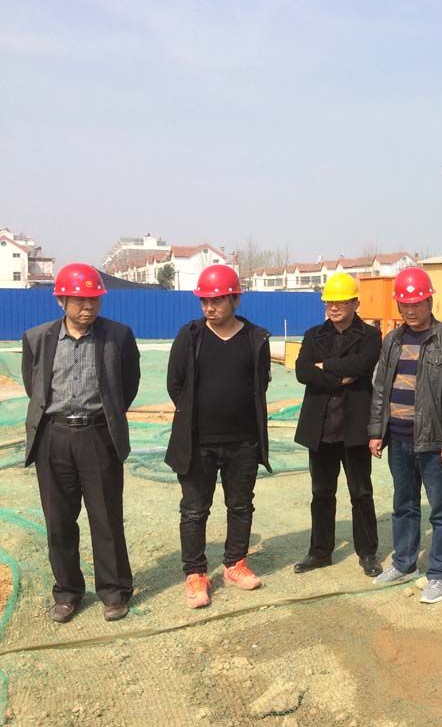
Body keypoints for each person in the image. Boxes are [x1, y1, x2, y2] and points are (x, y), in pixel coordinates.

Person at [22, 263, 140, 623]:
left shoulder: (117, 337)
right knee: (59, 521)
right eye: (79, 300)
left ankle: (114, 592)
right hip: (53, 438)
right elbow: (33, 385)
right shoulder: (37, 338)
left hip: (98, 436)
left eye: (94, 300)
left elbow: (128, 385)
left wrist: (104, 417)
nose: (88, 307)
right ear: (61, 300)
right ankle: (68, 592)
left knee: (106, 518)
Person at [165, 265, 272, 609]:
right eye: (204, 301)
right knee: (194, 510)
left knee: (240, 505)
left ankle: (234, 564)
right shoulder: (190, 336)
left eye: (217, 301)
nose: (209, 307)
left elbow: (260, 383)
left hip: (243, 442)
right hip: (198, 443)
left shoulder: (255, 338)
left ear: (235, 299)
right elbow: (175, 384)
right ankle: (195, 573)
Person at [368, 267, 442, 603]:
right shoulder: (392, 341)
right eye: (404, 305)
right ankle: (404, 563)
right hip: (397, 438)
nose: (410, 310)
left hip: (434, 442)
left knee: (441, 509)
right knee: (404, 504)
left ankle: (439, 574)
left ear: (429, 302)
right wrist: (376, 431)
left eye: (416, 304)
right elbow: (381, 389)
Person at [293, 272, 382, 578]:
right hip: (320, 427)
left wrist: (325, 366)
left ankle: (367, 552)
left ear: (355, 303)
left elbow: (362, 364)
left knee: (361, 492)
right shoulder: (313, 335)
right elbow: (302, 371)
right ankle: (320, 551)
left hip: (354, 425)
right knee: (321, 493)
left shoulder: (370, 336)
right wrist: (340, 377)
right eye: (330, 301)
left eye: (341, 302)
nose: (334, 307)